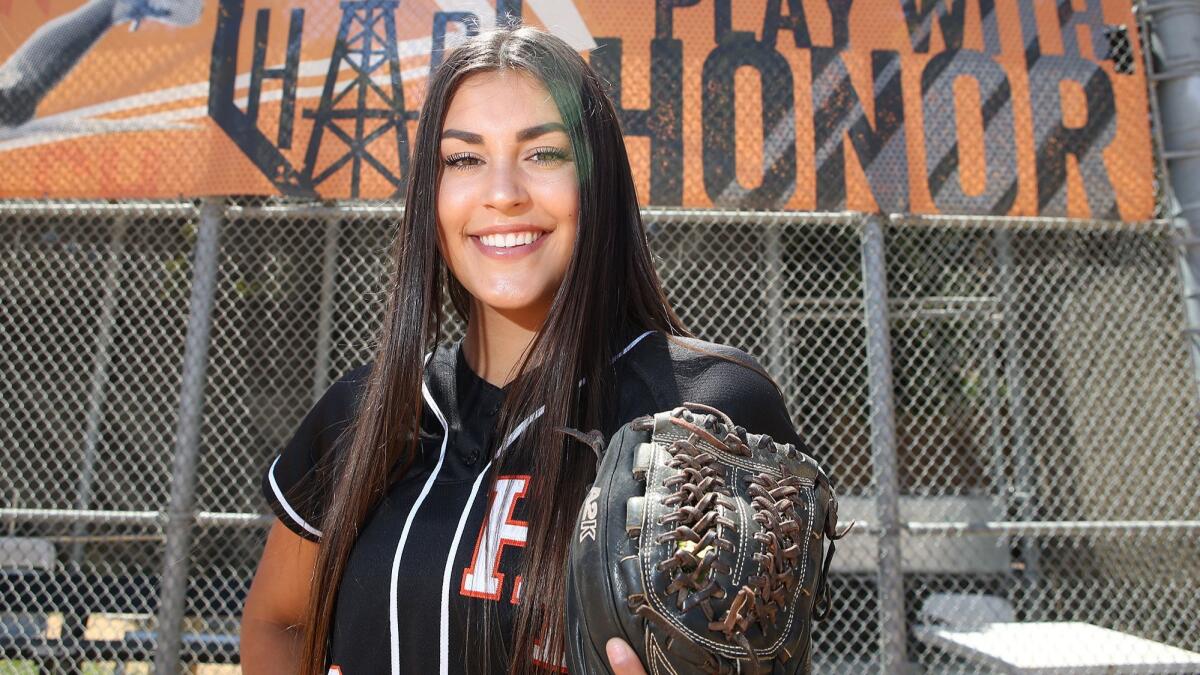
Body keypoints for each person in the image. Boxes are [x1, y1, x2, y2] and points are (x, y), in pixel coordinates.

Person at [239, 26, 808, 675]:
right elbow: (277, 619)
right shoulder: (362, 413)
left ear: (598, 184)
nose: (503, 191)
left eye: (543, 153)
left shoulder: (705, 410)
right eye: (464, 159)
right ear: (431, 195)